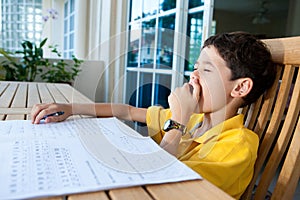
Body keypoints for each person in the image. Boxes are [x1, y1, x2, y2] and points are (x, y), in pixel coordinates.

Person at [31, 32, 276, 199]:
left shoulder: (237, 145)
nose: (194, 77)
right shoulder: (195, 120)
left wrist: (177, 122)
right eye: (195, 67)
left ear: (240, 88)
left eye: (207, 70)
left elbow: (160, 179)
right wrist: (72, 108)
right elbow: (125, 111)